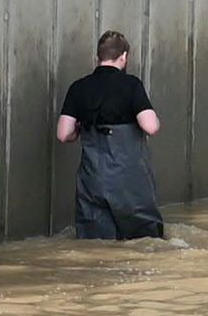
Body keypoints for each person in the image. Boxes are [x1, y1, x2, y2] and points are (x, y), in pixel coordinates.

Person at [54, 31, 168, 241]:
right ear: (124, 57)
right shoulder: (131, 85)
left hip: (92, 178)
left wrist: (80, 131)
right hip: (128, 180)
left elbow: (63, 134)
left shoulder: (78, 87)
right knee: (144, 239)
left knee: (95, 242)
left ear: (99, 56)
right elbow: (150, 126)